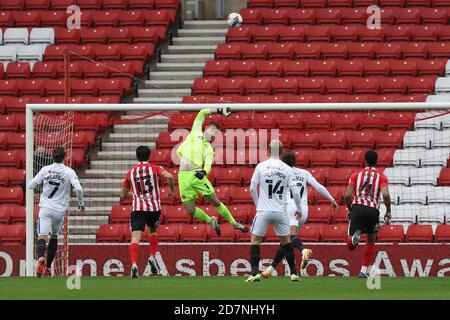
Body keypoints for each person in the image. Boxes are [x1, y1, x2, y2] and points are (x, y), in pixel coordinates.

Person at [262, 150, 339, 278]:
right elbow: (318, 187)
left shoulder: (281, 174)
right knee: (286, 242)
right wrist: (332, 200)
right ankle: (270, 269)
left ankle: (303, 250)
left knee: (289, 239)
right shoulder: (305, 173)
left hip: (290, 207)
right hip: (303, 210)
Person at [176, 107, 249, 236]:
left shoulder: (209, 148)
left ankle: (233, 223)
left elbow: (208, 163)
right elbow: (202, 112)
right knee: (190, 210)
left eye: (216, 133)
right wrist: (219, 110)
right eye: (213, 131)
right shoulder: (195, 132)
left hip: (196, 175)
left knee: (214, 201)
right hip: (182, 176)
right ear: (207, 128)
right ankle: (210, 220)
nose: (214, 134)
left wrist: (204, 172)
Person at [245, 141, 303, 283]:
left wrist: (259, 205)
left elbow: (252, 188)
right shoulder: (287, 169)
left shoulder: (261, 166)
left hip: (263, 210)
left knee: (255, 241)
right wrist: (299, 209)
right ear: (282, 151)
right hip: (280, 211)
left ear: (268, 151)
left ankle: (254, 273)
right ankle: (294, 274)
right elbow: (296, 192)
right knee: (286, 242)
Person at [28, 146, 85, 277]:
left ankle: (41, 258)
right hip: (59, 211)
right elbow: (79, 189)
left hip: (46, 208)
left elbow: (31, 185)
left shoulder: (45, 169)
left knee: (42, 236)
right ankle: (48, 267)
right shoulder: (69, 171)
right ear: (64, 157)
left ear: (52, 156)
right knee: (54, 236)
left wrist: (44, 184)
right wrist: (81, 203)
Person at [121, 145, 175, 278]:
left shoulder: (131, 172)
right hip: (153, 208)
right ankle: (152, 257)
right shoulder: (154, 168)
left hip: (138, 208)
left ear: (136, 156)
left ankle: (134, 265)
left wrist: (137, 195)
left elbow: (123, 195)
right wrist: (171, 191)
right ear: (149, 156)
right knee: (153, 231)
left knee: (135, 238)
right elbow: (170, 177)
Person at [343, 150, 392, 278]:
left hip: (358, 207)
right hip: (373, 210)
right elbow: (385, 194)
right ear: (377, 162)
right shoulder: (382, 177)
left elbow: (347, 195)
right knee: (371, 241)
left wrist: (350, 209)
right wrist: (388, 210)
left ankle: (354, 239)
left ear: (365, 161)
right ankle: (363, 271)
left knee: (350, 245)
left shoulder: (356, 175)